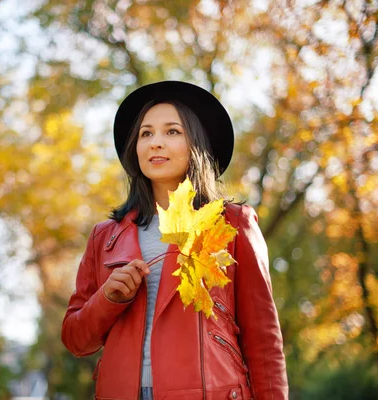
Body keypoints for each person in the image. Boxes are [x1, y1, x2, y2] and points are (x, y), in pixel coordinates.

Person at [61, 81, 288, 400]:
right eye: (146, 134)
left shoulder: (232, 223)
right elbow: (75, 340)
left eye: (172, 132)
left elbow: (264, 341)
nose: (156, 143)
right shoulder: (106, 235)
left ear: (196, 144)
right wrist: (108, 299)